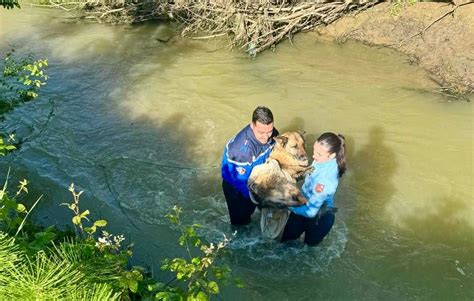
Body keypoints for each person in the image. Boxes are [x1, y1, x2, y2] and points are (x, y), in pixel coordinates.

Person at [281, 132, 346, 246]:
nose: (314, 156)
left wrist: (286, 205)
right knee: (285, 242)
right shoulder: (323, 159)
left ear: (332, 155)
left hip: (319, 218)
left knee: (307, 252)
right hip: (303, 205)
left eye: (319, 154)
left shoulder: (326, 179)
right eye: (314, 150)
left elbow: (311, 212)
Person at [221, 106, 279, 225]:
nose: (266, 136)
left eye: (269, 131)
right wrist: (261, 199)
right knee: (241, 221)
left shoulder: (272, 134)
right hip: (237, 188)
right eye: (261, 132)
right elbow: (242, 184)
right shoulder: (241, 152)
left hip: (256, 175)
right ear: (252, 125)